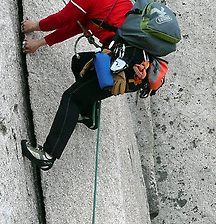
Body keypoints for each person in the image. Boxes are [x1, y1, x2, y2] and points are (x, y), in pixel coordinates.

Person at [21, 0, 148, 170]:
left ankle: (47, 155)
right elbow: (74, 26)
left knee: (72, 97)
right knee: (79, 62)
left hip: (121, 68)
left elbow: (61, 19)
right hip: (137, 68)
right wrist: (39, 43)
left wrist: (35, 25)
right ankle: (88, 115)